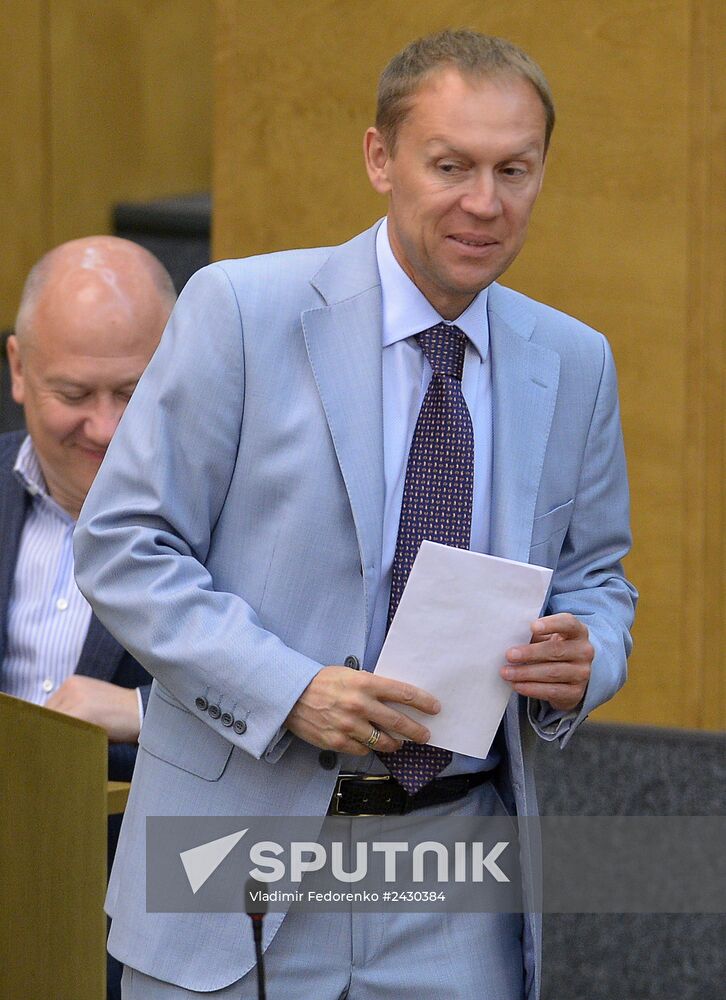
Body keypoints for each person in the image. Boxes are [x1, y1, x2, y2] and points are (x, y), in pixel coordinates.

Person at [75, 30, 637, 1000]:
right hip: (229, 865)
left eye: (515, 168)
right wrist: (287, 686)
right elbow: (124, 545)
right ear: (380, 158)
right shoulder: (239, 313)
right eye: (451, 165)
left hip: (452, 880)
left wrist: (590, 654)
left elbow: (599, 575)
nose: (484, 202)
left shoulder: (575, 360)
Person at [1, 235, 175, 995]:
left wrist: (144, 710)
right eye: (74, 395)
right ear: (16, 371)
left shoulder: (242, 524)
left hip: (142, 921)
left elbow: (304, 717)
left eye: (133, 393)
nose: (105, 429)